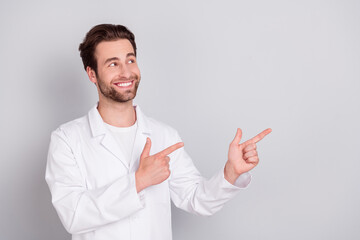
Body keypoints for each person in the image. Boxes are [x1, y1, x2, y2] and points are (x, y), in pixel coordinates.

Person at [45, 24, 271, 240]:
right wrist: (138, 182)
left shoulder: (164, 135)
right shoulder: (67, 139)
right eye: (113, 64)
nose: (126, 72)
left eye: (130, 60)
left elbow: (196, 199)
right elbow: (73, 214)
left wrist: (230, 172)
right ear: (92, 74)